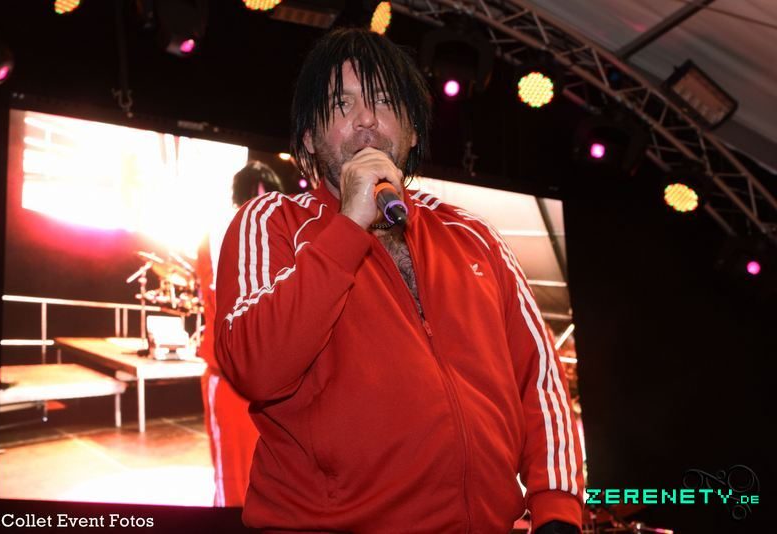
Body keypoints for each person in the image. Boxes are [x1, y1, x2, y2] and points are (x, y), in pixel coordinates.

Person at [215, 28, 584, 533]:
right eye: (341, 104)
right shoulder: (271, 221)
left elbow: (540, 380)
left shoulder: (473, 235)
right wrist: (349, 224)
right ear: (309, 138)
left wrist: (557, 508)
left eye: (385, 101)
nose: (366, 119)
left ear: (412, 132)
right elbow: (255, 364)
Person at [196, 160, 284, 507]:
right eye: (256, 197)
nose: (263, 206)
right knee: (234, 486)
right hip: (230, 377)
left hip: (273, 383)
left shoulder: (274, 232)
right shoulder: (226, 230)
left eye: (269, 198)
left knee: (268, 484)